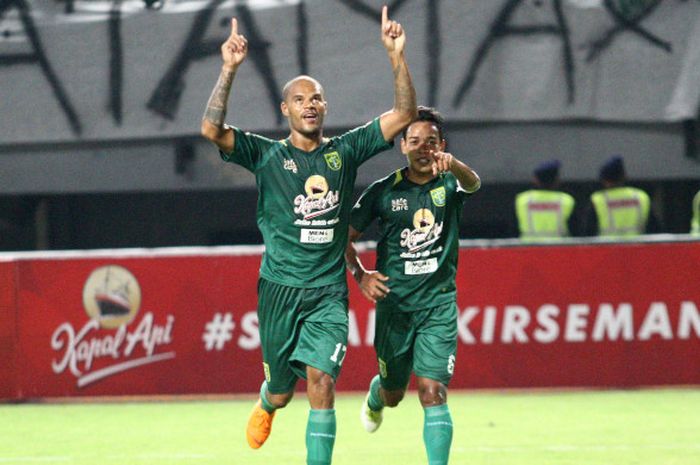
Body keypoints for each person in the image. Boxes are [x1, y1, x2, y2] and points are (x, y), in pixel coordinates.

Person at [200, 6, 416, 465]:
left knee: (321, 380)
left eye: (316, 98)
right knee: (282, 394)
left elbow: (403, 114)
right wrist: (229, 69)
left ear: (325, 107)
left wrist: (396, 57)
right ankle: (267, 400)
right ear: (286, 109)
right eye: (300, 99)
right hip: (279, 291)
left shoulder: (345, 151)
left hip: (327, 294)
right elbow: (211, 130)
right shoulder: (266, 156)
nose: (310, 105)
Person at [345, 106, 480, 465]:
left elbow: (474, 184)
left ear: (442, 146)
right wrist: (361, 274)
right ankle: (377, 396)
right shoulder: (383, 191)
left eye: (431, 142)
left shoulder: (449, 182)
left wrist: (455, 165)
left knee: (432, 392)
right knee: (394, 394)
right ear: (402, 144)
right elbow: (345, 235)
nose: (423, 148)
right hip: (395, 309)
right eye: (415, 140)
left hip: (438, 306)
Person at [582, 155, 658, 237]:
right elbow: (655, 229)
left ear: (604, 180)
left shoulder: (597, 200)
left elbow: (588, 233)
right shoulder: (641, 197)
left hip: (607, 249)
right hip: (636, 248)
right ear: (624, 176)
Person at [514, 159, 576, 240]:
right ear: (557, 179)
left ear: (535, 179)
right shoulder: (567, 200)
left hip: (528, 249)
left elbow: (513, 228)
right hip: (559, 249)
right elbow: (575, 229)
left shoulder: (522, 199)